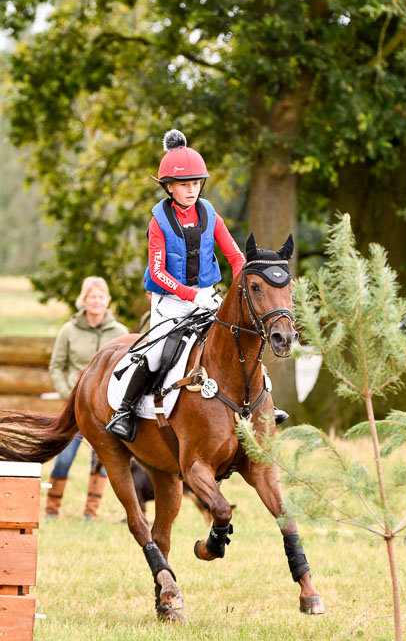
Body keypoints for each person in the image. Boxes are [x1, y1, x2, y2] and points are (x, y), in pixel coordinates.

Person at [106, 129, 288, 441]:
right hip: (169, 300)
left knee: (244, 335)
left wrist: (239, 290)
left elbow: (234, 256)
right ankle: (125, 409)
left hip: (209, 295)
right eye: (183, 184)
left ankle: (265, 404)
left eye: (195, 183)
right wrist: (192, 296)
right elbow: (158, 271)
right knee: (156, 353)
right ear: (169, 187)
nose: (191, 190)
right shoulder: (158, 222)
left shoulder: (210, 215)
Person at [45, 276, 129, 520]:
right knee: (64, 459)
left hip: (105, 410)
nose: (96, 301)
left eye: (101, 297)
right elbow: (56, 366)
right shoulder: (68, 330)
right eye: (92, 297)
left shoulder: (120, 332)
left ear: (107, 300)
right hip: (74, 409)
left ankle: (91, 513)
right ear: (84, 299)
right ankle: (51, 510)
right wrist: (66, 394)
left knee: (101, 461)